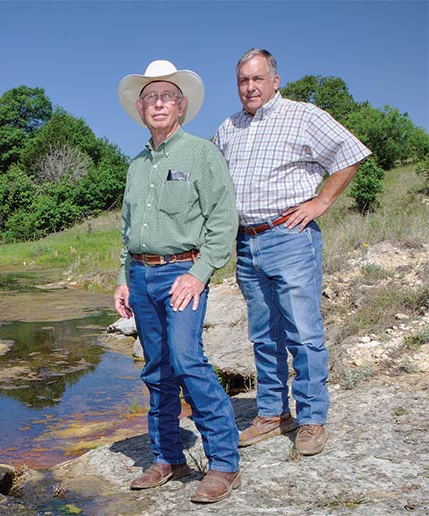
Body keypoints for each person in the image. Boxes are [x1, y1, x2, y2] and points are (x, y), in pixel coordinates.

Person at [213, 49, 371, 456]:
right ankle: (271, 413)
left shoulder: (303, 115)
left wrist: (321, 202)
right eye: (243, 81)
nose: (250, 87)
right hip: (247, 242)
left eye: (257, 79)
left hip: (290, 235)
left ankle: (312, 418)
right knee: (264, 335)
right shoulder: (228, 127)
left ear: (275, 80)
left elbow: (350, 153)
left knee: (303, 333)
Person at [115, 60, 241, 504]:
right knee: (157, 369)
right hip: (140, 276)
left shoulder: (201, 153)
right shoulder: (135, 165)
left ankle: (224, 464)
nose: (159, 103)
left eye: (167, 96)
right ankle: (168, 457)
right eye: (151, 97)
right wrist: (122, 280)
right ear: (141, 107)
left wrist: (199, 273)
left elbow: (224, 220)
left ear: (181, 104)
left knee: (188, 360)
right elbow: (127, 230)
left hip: (182, 274)